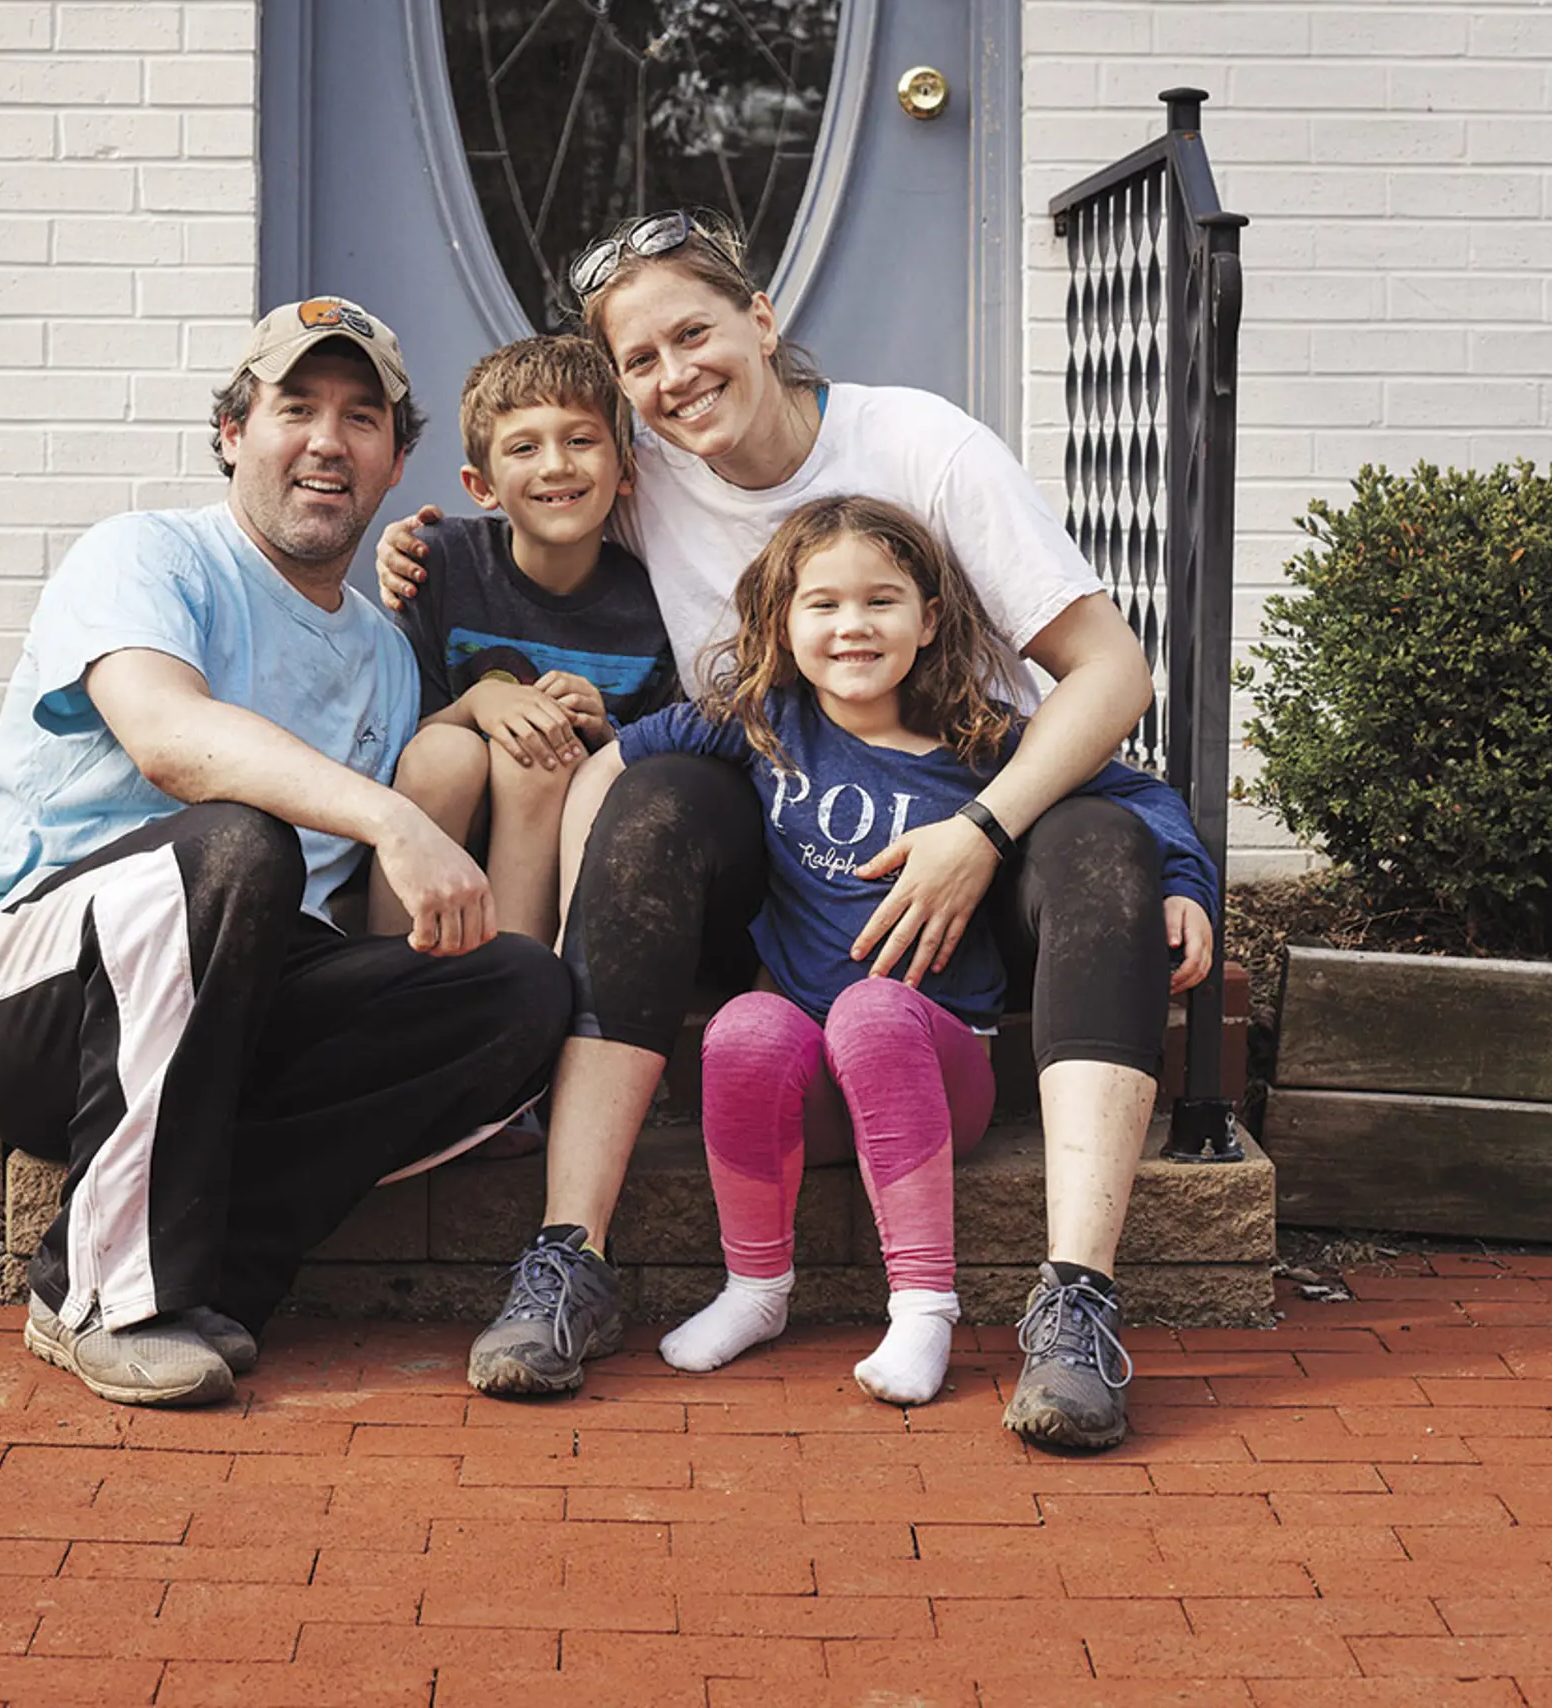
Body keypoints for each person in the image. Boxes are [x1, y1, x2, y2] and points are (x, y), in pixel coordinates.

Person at [378, 213, 1213, 1450]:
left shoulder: (922, 447)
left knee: (1102, 848)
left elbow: (1112, 675)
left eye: (694, 334)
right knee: (654, 801)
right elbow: (541, 502)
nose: (675, 376)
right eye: (640, 361)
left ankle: (1076, 1304)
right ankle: (569, 1256)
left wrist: (985, 830)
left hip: (992, 822)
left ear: (762, 320)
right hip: (795, 854)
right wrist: (427, 552)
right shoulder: (651, 470)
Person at [0, 295, 571, 1412]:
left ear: (396, 461)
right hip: (34, 998)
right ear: (233, 433)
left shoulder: (384, 655)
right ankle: (98, 1294)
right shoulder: (146, 554)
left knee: (517, 989)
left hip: (232, 1014)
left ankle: (219, 1274)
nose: (328, 440)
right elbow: (170, 740)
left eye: (361, 418)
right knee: (238, 844)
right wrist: (393, 819)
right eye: (296, 408)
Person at [612, 495, 1213, 1410]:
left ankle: (925, 1307)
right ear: (781, 621)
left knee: (874, 1010)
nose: (852, 625)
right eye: (823, 604)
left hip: (938, 1070)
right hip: (809, 1087)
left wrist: (1184, 886)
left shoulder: (981, 745)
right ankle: (755, 1289)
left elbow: (1141, 796)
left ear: (929, 620)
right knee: (742, 1026)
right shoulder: (762, 725)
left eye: (880, 601)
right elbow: (618, 762)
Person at [373, 334, 673, 942]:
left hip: (557, 840)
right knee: (445, 751)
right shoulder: (438, 562)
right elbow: (397, 738)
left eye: (580, 440)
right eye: (524, 448)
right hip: (443, 812)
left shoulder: (653, 604)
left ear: (625, 468)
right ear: (481, 485)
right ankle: (385, 971)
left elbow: (657, 771)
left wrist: (601, 733)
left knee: (540, 752)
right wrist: (478, 702)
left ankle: (517, 976)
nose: (556, 465)